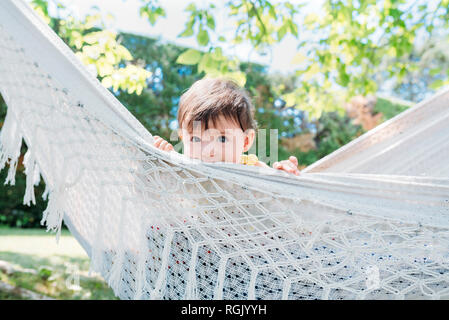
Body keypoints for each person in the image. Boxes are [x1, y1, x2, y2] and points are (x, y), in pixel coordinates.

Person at [153, 77, 300, 176]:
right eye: (196, 139)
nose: (208, 152)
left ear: (246, 142)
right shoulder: (181, 168)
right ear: (182, 139)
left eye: (222, 139)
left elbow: (276, 193)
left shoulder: (252, 169)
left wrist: (283, 176)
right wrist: (162, 162)